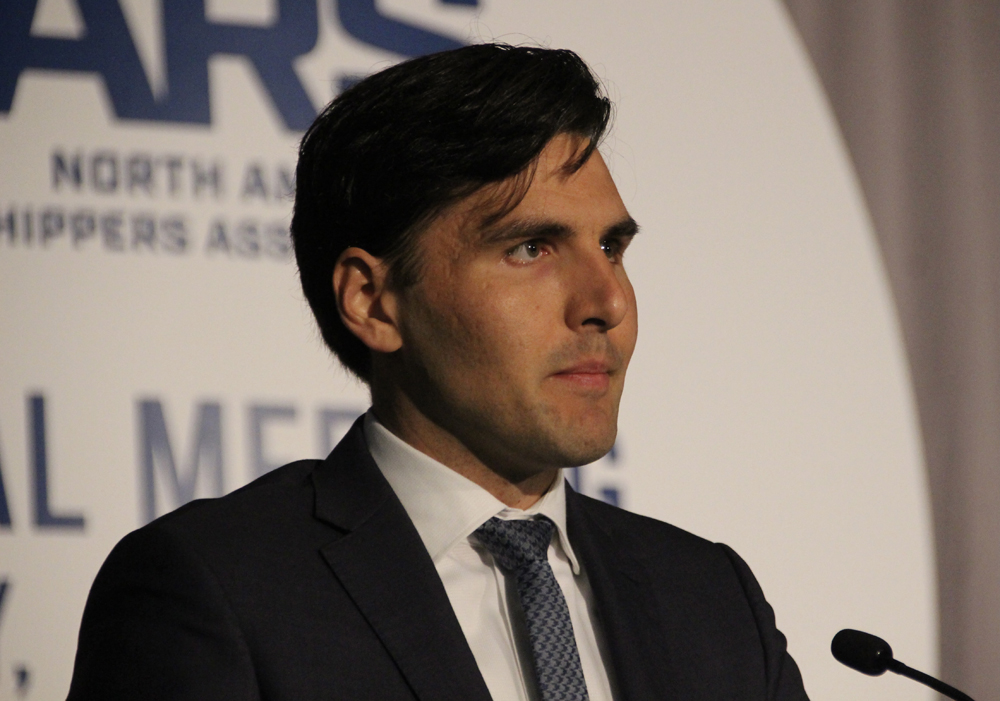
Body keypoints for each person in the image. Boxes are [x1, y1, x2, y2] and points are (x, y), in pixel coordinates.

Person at [68, 44, 809, 701]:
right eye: (531, 248)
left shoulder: (712, 602)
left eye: (612, 247)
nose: (607, 300)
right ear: (374, 301)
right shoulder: (217, 590)